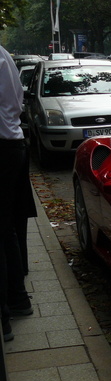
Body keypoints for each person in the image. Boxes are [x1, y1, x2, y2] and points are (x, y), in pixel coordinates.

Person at [0, 43, 34, 342]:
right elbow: (15, 104)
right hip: (11, 145)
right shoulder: (3, 54)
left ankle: (9, 311)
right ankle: (17, 299)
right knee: (6, 227)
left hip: (4, 148)